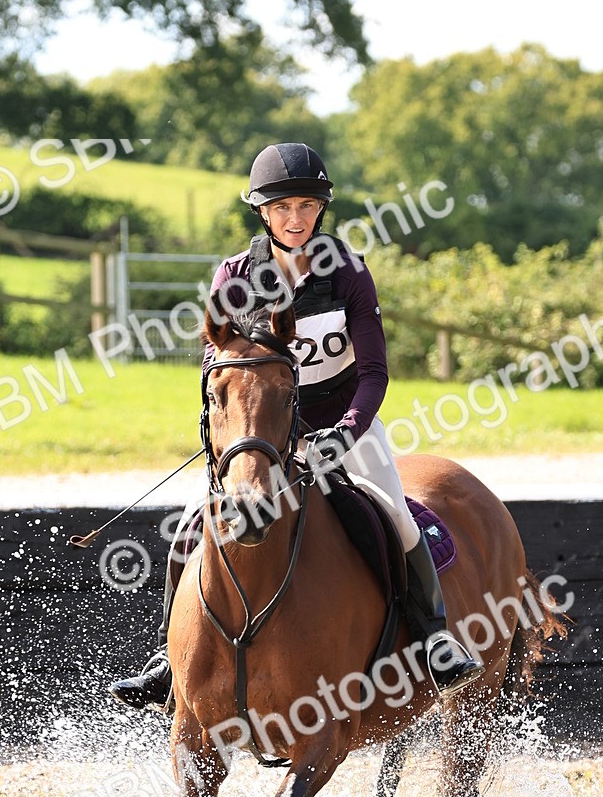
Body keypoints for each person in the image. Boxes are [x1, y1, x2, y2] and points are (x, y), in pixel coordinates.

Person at [110, 142, 481, 710]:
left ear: (320, 209)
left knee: (394, 511)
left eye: (307, 206)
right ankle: (167, 656)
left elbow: (375, 371)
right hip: (262, 431)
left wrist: (346, 433)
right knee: (191, 524)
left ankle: (434, 638)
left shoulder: (350, 274)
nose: (295, 218)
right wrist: (233, 438)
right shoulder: (234, 276)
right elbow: (218, 369)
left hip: (340, 423)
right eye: (283, 208)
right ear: (262, 212)